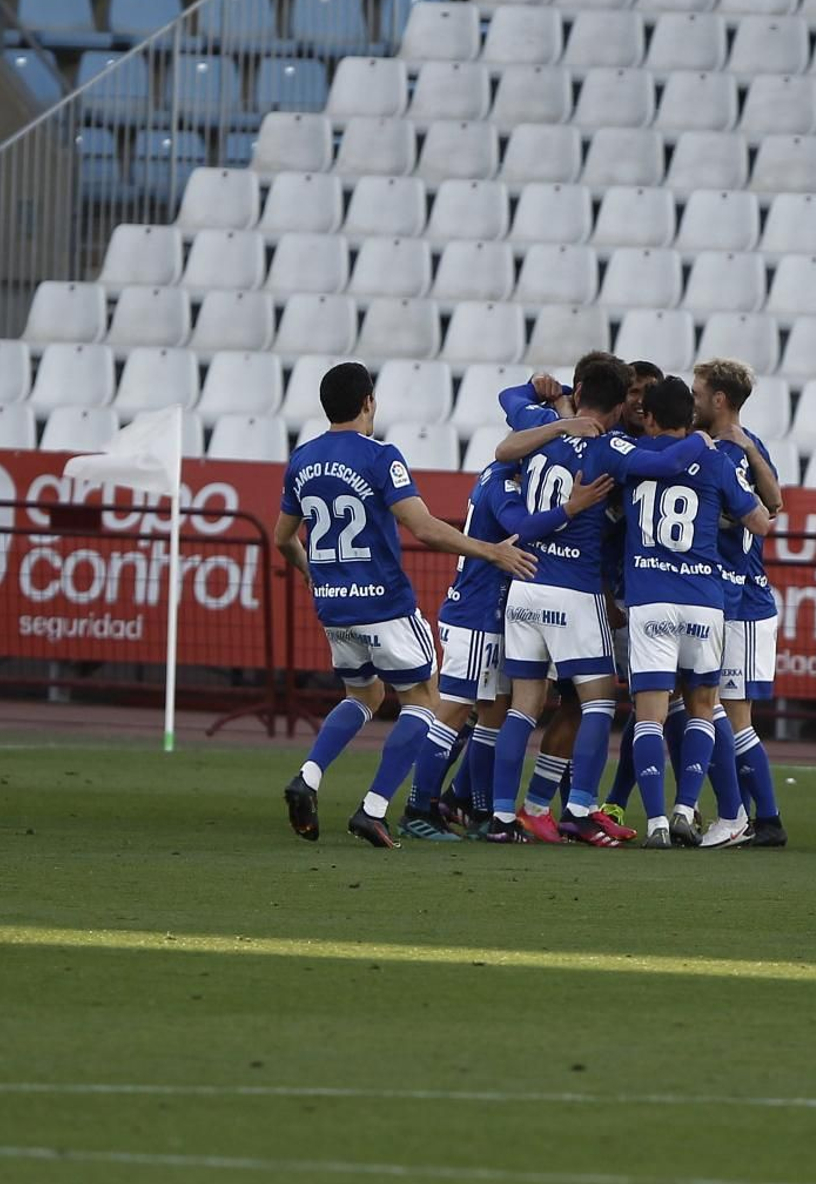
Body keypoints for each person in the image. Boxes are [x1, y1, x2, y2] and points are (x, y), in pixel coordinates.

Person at [275, 361, 536, 849]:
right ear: (368, 402)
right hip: (385, 605)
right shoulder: (380, 457)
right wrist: (490, 550)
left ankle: (308, 776)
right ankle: (373, 809)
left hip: (335, 608)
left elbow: (282, 538)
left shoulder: (302, 460)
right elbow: (424, 527)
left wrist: (314, 573)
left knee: (364, 697)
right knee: (424, 701)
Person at [490, 357, 710, 846]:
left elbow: (510, 399)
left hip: (526, 583)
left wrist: (546, 392)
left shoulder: (543, 424)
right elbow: (667, 462)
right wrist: (701, 437)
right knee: (599, 701)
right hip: (573, 588)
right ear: (618, 406)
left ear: (580, 389)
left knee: (524, 706)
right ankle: (580, 808)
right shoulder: (609, 446)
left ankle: (507, 818)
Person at [397, 443, 614, 840]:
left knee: (492, 714)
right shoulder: (502, 485)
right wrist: (572, 506)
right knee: (454, 711)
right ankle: (417, 807)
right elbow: (522, 525)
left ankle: (479, 811)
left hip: (491, 615)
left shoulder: (504, 478)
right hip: (477, 613)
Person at [625, 376, 772, 849]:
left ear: (647, 417)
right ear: (689, 416)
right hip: (703, 602)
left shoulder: (628, 456)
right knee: (703, 711)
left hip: (649, 599)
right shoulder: (712, 459)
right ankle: (686, 809)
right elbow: (762, 522)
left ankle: (655, 825)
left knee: (649, 716)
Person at [693, 358, 787, 848]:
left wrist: (747, 448)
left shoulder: (740, 450)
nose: (693, 401)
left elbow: (773, 506)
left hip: (744, 598)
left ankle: (763, 819)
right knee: (720, 712)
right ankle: (750, 815)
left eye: (697, 393)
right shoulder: (716, 448)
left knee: (732, 715)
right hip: (726, 597)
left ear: (719, 400)